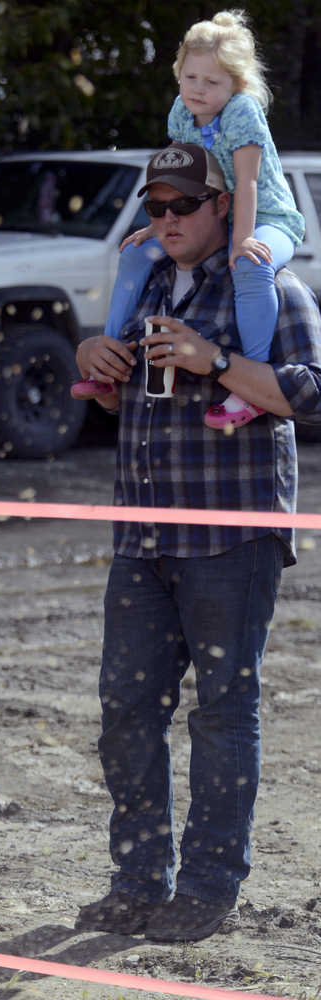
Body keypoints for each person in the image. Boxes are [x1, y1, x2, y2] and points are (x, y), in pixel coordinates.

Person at [73, 142, 321, 943]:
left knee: (221, 714)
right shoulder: (139, 280)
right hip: (141, 534)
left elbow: (306, 398)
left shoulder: (270, 284)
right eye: (157, 206)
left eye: (185, 204)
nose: (169, 219)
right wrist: (95, 362)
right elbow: (123, 408)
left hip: (230, 536)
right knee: (124, 711)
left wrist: (211, 360)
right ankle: (139, 878)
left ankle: (210, 885)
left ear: (224, 205)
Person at [72, 9, 305, 431]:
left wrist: (241, 241)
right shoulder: (181, 110)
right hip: (220, 216)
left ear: (236, 84)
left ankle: (247, 385)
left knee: (253, 265)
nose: (198, 89)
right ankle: (104, 362)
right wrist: (155, 221)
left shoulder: (243, 112)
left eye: (212, 82)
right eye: (190, 77)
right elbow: (179, 170)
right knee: (135, 252)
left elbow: (248, 184)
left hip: (267, 217)